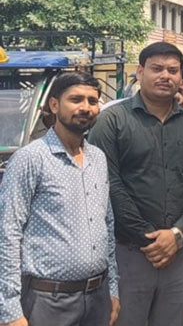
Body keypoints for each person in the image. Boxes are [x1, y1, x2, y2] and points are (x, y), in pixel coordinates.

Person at [88, 42, 183, 326]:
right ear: (140, 72)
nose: (165, 76)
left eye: (172, 70)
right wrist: (151, 239)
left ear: (181, 78)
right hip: (127, 252)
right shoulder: (112, 121)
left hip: (178, 252)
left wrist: (178, 233)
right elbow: (107, 183)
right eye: (157, 69)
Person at [0, 73, 120, 326]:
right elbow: (7, 233)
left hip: (97, 298)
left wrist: (112, 289)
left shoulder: (97, 158)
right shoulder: (30, 159)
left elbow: (107, 226)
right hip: (47, 301)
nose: (85, 107)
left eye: (92, 101)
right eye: (75, 99)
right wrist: (9, 309)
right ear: (54, 105)